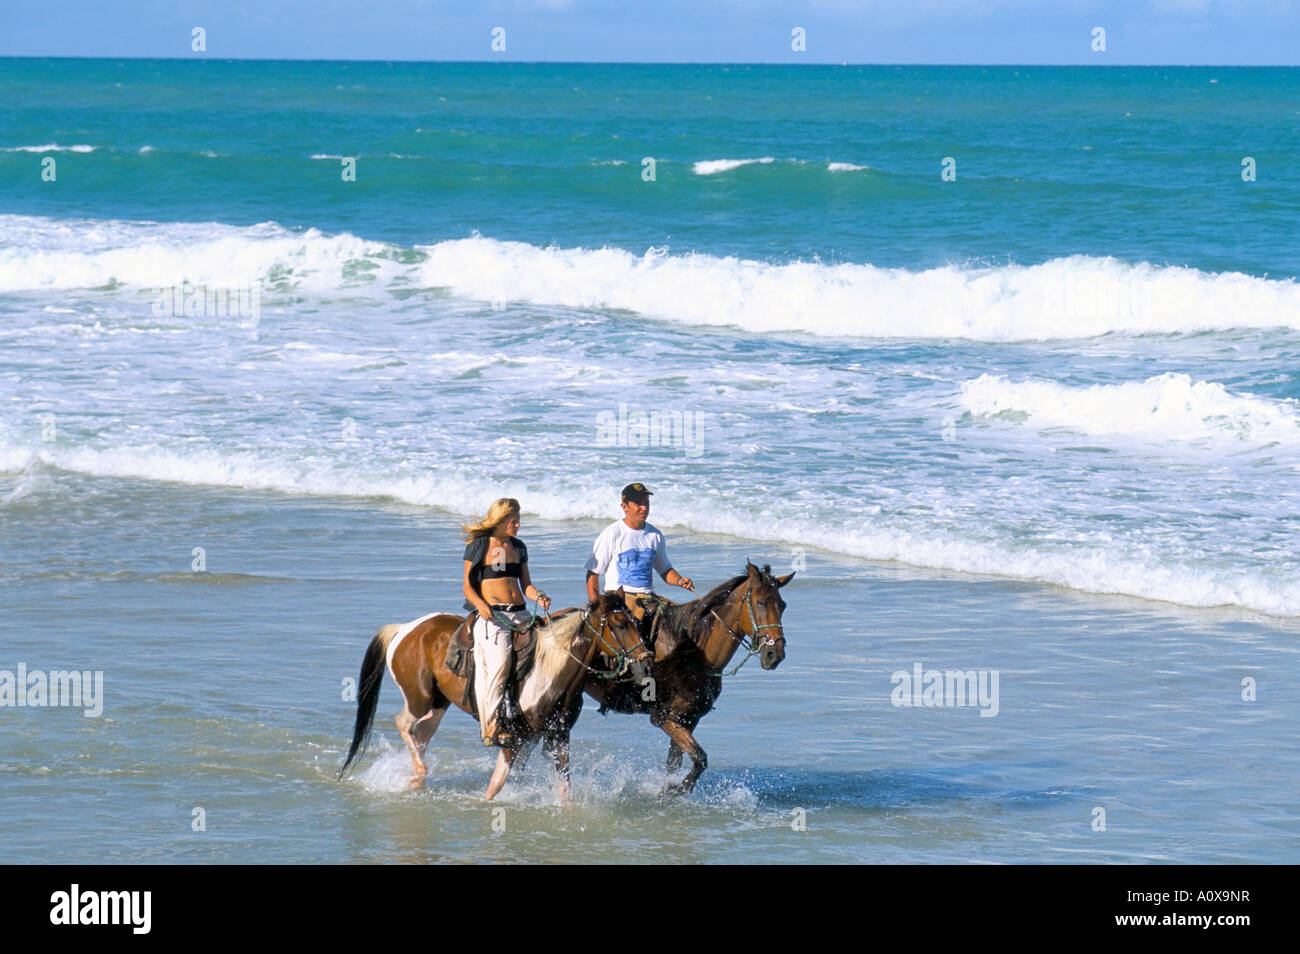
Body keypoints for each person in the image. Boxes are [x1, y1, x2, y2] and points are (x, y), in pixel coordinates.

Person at [462, 498, 550, 747]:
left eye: (518, 520)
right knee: (500, 663)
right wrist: (481, 605)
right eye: (513, 521)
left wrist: (540, 596)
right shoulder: (479, 546)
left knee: (550, 652)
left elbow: (527, 586)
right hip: (493, 616)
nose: (518, 524)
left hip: (521, 613)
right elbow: (468, 587)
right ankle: (491, 726)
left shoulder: (518, 547)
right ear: (500, 521)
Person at [585, 483, 694, 642]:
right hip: (620, 599)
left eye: (646, 503)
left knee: (683, 622)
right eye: (638, 503)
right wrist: (597, 608)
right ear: (624, 506)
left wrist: (679, 580)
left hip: (648, 598)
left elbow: (665, 570)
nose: (644, 508)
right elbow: (592, 574)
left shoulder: (654, 535)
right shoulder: (612, 533)